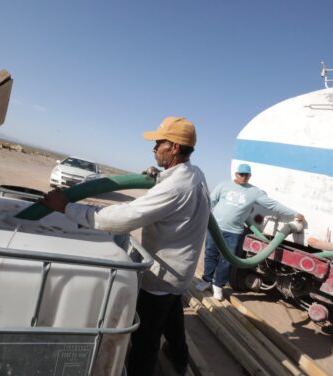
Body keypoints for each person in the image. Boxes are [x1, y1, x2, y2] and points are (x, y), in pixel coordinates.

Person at [42, 116, 210, 376]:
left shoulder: (177, 187)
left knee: (145, 339)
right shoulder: (194, 174)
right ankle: (179, 357)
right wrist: (160, 177)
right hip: (180, 273)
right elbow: (173, 193)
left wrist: (67, 207)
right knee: (173, 314)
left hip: (161, 276)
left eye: (159, 143)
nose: (154, 148)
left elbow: (124, 218)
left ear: (174, 147)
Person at [196, 163, 304, 300]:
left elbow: (272, 205)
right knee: (210, 254)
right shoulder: (223, 185)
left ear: (250, 176)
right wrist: (205, 219)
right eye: (241, 174)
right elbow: (211, 202)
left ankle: (218, 286)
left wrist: (294, 214)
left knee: (227, 260)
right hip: (215, 228)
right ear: (236, 174)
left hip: (234, 232)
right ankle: (206, 280)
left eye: (246, 175)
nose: (243, 177)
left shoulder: (254, 192)